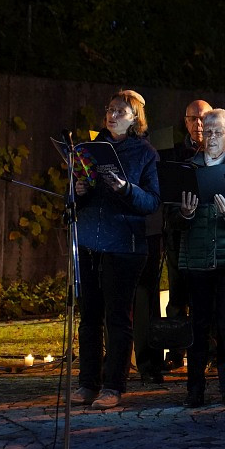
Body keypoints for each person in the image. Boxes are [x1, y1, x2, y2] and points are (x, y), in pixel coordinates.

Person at [71, 89, 160, 410]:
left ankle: (113, 386)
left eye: (120, 111)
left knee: (118, 319)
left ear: (135, 118)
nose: (111, 115)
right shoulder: (90, 149)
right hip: (90, 243)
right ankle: (86, 383)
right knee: (89, 318)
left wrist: (126, 188)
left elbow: (151, 202)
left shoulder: (145, 153)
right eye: (109, 109)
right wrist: (79, 191)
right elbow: (76, 199)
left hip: (125, 246)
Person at [171, 109, 225, 409]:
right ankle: (195, 389)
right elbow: (173, 218)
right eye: (207, 132)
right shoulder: (188, 168)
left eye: (218, 132)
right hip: (196, 259)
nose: (212, 137)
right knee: (199, 325)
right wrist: (185, 214)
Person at [161, 98, 212, 373]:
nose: (199, 124)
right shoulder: (173, 153)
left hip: (206, 235)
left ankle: (211, 351)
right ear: (186, 121)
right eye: (193, 119)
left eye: (203, 118)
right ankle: (176, 351)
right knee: (177, 298)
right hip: (178, 234)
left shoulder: (218, 152)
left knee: (207, 298)